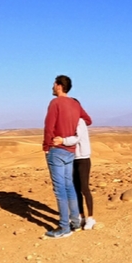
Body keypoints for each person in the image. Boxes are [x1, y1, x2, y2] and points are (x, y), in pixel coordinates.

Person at [42, 75, 92, 239]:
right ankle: (76, 223)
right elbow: (87, 120)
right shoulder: (75, 104)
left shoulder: (55, 103)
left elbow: (49, 126)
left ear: (58, 86)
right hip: (70, 151)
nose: (52, 87)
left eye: (53, 84)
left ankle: (64, 227)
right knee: (69, 186)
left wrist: (47, 146)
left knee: (60, 189)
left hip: (57, 149)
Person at [54, 100, 95, 230]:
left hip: (82, 158)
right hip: (72, 158)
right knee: (75, 189)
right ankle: (81, 216)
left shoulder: (80, 122)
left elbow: (76, 138)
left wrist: (62, 140)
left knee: (84, 188)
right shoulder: (69, 122)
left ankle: (91, 218)